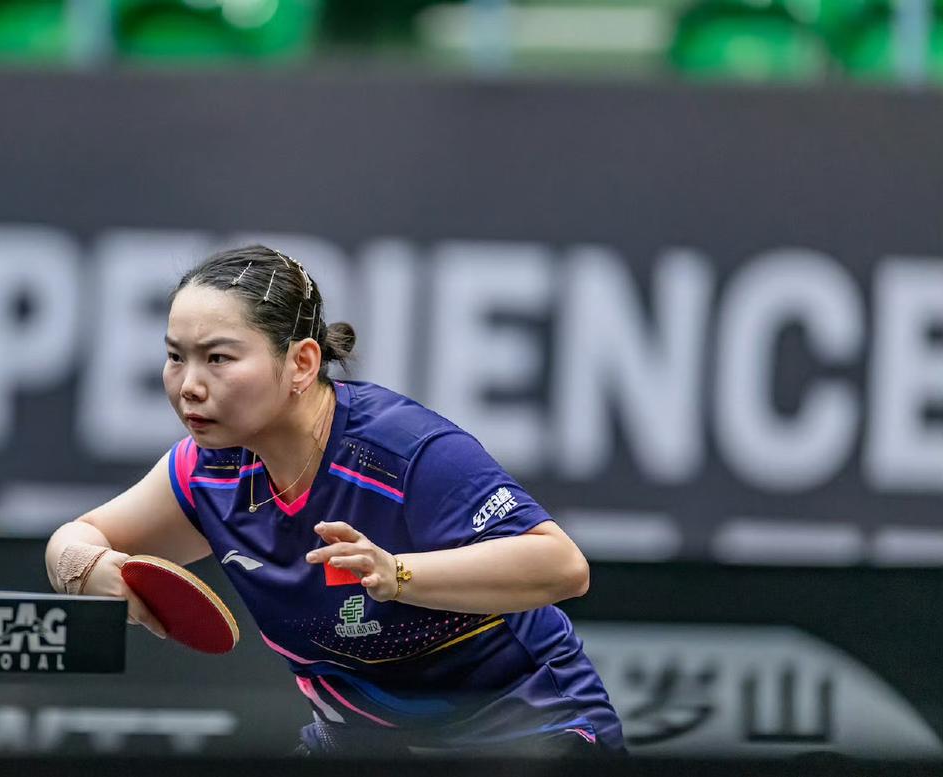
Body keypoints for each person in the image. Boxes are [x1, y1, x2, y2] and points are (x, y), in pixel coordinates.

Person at [45, 245, 625, 756]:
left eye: (218, 358)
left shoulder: (404, 451)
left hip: (526, 733)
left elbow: (562, 566)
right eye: (176, 356)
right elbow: (79, 535)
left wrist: (398, 574)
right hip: (363, 747)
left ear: (301, 363)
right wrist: (86, 569)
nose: (189, 385)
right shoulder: (208, 472)